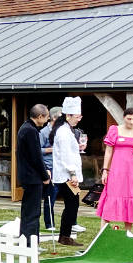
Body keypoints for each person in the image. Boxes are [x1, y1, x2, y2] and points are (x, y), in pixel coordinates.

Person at [96, 108, 133, 233]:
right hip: (117, 171)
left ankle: (128, 233)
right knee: (111, 197)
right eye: (129, 119)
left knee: (131, 198)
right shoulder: (114, 130)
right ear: (124, 117)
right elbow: (108, 151)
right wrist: (105, 170)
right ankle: (102, 233)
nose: (131, 122)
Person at [16, 104, 51, 245]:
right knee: (32, 212)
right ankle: (29, 242)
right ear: (40, 116)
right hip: (32, 176)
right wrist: (45, 176)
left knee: (29, 211)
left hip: (28, 175)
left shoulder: (26, 128)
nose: (48, 119)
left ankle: (29, 240)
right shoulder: (30, 131)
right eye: (47, 116)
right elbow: (36, 157)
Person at [51, 97, 84, 246]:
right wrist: (72, 174)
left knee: (73, 204)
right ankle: (64, 235)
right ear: (68, 115)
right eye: (77, 117)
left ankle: (65, 234)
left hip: (69, 173)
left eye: (79, 116)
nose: (79, 119)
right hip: (67, 175)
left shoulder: (67, 130)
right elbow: (65, 155)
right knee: (71, 205)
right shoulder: (63, 132)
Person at [39, 106, 62, 232]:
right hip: (50, 168)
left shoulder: (63, 131)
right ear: (54, 117)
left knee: (72, 196)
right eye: (62, 116)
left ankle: (73, 222)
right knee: (50, 198)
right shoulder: (43, 133)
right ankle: (49, 224)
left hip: (62, 168)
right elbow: (38, 150)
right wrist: (51, 149)